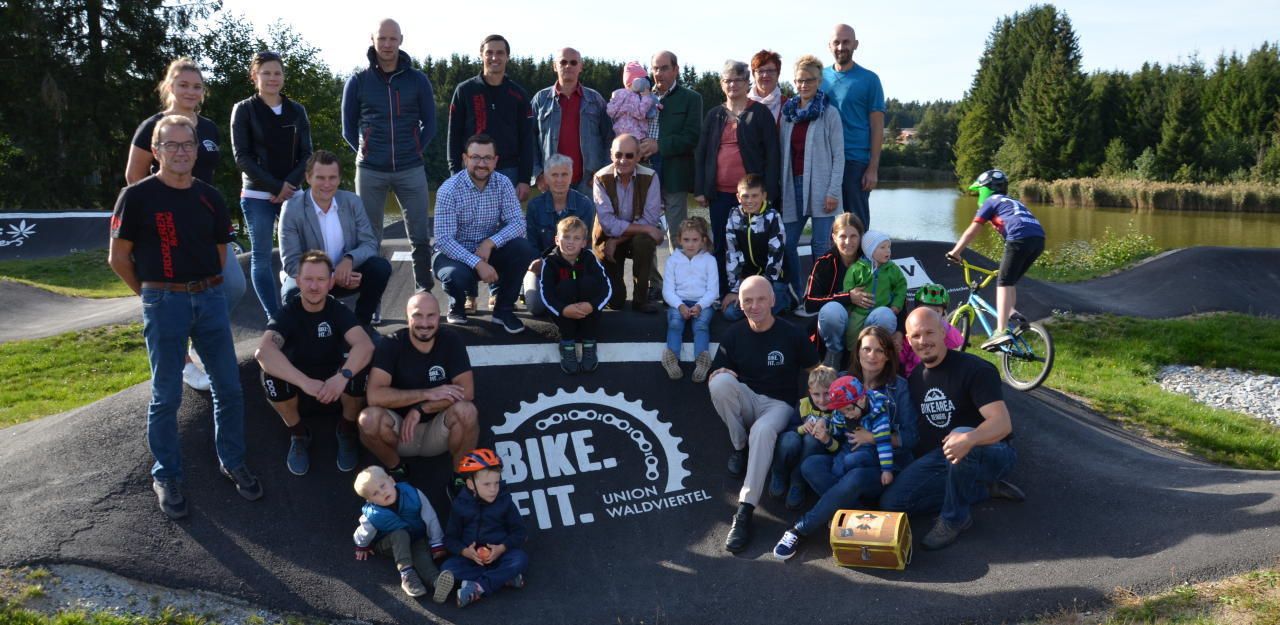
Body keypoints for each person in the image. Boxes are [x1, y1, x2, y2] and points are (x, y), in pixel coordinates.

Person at [109, 115, 262, 520]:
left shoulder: (210, 196)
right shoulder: (137, 196)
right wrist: (151, 295)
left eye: (187, 145)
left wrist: (204, 290)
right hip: (165, 301)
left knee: (229, 388)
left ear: (197, 150)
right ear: (156, 151)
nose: (180, 152)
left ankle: (232, 460)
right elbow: (118, 258)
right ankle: (167, 474)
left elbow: (220, 254)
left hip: (209, 299)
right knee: (166, 397)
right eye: (171, 145)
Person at [126, 57, 245, 392]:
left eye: (197, 86)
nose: (190, 91)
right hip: (165, 225)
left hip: (202, 223)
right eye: (183, 85)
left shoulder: (208, 128)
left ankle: (199, 344)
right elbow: (134, 177)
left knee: (233, 285)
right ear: (170, 87)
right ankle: (183, 363)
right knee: (167, 299)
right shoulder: (154, 125)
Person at [880, 308, 1025, 550]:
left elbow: (1002, 424)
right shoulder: (915, 378)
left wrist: (969, 438)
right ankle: (982, 488)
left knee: (961, 434)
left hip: (993, 451)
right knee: (892, 503)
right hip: (944, 456)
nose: (923, 341)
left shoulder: (975, 369)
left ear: (943, 331)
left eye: (929, 333)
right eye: (916, 336)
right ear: (907, 340)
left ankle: (955, 518)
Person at [771, 325, 917, 560]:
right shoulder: (841, 379)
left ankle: (799, 529)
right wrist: (823, 424)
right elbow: (830, 415)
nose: (872, 355)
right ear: (857, 352)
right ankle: (855, 512)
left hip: (880, 465)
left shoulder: (898, 388)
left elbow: (912, 437)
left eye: (879, 350)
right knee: (811, 466)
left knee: (855, 475)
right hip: (844, 457)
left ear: (888, 355)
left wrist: (874, 437)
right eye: (867, 349)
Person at [708, 275, 819, 553]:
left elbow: (814, 369)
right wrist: (718, 373)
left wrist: (814, 405)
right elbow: (717, 370)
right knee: (719, 383)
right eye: (748, 301)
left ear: (772, 300)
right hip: (748, 397)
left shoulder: (792, 332)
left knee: (763, 430)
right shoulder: (734, 334)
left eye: (760, 299)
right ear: (740, 305)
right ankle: (739, 446)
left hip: (778, 404)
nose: (754, 306)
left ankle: (744, 511)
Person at [254, 250, 375, 476]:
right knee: (269, 376)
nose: (314, 286)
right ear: (297, 281)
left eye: (320, 279)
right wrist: (304, 382)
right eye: (308, 279)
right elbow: (264, 352)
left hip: (336, 389)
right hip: (301, 391)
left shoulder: (338, 310)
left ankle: (346, 430)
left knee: (360, 370)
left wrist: (342, 377)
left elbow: (365, 345)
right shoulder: (288, 312)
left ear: (330, 283)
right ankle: (299, 434)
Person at [341, 19, 436, 294]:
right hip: (370, 170)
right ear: (372, 40)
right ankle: (373, 301)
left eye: (392, 39)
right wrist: (368, 151)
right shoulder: (358, 81)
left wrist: (415, 149)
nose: (387, 44)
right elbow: (348, 129)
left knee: (419, 235)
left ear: (401, 40)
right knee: (370, 239)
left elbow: (429, 124)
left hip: (410, 167)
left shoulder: (418, 80)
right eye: (382, 38)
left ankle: (424, 293)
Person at [357, 292, 480, 485]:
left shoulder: (451, 340)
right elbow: (374, 396)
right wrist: (426, 394)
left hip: (439, 431)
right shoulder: (391, 343)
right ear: (407, 317)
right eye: (417, 315)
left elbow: (467, 392)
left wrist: (421, 408)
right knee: (368, 419)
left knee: (467, 411)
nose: (425, 323)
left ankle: (460, 479)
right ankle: (396, 469)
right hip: (400, 433)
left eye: (430, 315)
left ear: (439, 316)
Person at [231, 50, 313, 321]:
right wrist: (276, 186)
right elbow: (241, 156)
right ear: (255, 76)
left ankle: (307, 307)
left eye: (277, 73)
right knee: (262, 256)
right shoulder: (244, 110)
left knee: (308, 251)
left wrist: (288, 185)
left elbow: (307, 155)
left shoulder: (296, 110)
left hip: (293, 192)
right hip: (256, 194)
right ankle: (274, 316)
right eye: (266, 73)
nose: (272, 78)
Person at [433, 134, 537, 332]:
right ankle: (457, 304)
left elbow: (518, 223)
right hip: (453, 254)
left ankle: (503, 310)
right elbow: (444, 240)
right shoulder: (448, 190)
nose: (482, 163)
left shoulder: (503, 183)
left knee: (523, 248)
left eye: (487, 158)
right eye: (476, 157)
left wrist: (490, 242)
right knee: (455, 276)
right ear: (465, 159)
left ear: (495, 161)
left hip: (488, 251)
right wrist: (477, 263)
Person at [695, 60, 781, 295]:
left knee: (754, 244)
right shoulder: (714, 115)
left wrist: (769, 193)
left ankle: (758, 293)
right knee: (723, 244)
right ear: (722, 84)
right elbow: (702, 153)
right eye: (727, 80)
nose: (732, 84)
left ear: (747, 83)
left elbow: (773, 155)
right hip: (720, 194)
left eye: (738, 80)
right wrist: (701, 189)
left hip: (752, 197)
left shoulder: (760, 113)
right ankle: (724, 292)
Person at [278, 151, 392, 327]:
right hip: (310, 277)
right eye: (320, 178)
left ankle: (361, 326)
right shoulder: (292, 208)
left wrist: (349, 259)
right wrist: (330, 277)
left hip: (348, 274)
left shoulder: (352, 201)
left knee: (380, 268)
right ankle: (306, 337)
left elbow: (370, 244)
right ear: (308, 178)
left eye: (332, 178)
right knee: (292, 291)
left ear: (339, 179)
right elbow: (291, 263)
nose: (327, 184)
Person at [947, 168, 1046, 351]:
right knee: (1010, 280)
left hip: (1019, 237)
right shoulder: (1011, 202)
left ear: (985, 189)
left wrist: (956, 251)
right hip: (1038, 239)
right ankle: (1011, 312)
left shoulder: (991, 201)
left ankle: (1000, 331)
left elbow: (972, 230)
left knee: (1002, 282)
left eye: (979, 191)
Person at [779, 55, 844, 310]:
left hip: (821, 188)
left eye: (809, 80)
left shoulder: (829, 114)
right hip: (791, 186)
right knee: (786, 243)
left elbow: (839, 156)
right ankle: (797, 292)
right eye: (799, 80)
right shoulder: (788, 114)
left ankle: (820, 299)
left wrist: (833, 191)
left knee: (821, 246)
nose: (803, 85)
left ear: (819, 81)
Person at [447, 34, 535, 203]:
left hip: (509, 171)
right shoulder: (464, 90)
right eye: (489, 52)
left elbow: (526, 141)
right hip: (472, 170)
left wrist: (524, 179)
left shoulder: (519, 95)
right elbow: (454, 136)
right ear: (481, 55)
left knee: (507, 226)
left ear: (507, 57)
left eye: (500, 53)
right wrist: (455, 174)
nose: (494, 57)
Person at [442, 449, 530, 608]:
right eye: (487, 484)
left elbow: (520, 532)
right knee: (448, 568)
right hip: (472, 560)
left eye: (496, 483)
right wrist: (465, 552)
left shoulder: (505, 502)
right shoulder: (460, 506)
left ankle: (477, 587)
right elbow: (449, 539)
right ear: (471, 484)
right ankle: (504, 578)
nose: (493, 489)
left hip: (501, 556)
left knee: (519, 559)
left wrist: (502, 548)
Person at [352, 466, 453, 603]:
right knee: (400, 534)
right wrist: (362, 546)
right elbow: (363, 532)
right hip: (389, 544)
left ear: (391, 480)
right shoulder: (373, 515)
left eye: (383, 486)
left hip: (416, 538)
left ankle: (436, 582)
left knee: (422, 557)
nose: (382, 492)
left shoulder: (413, 494)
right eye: (375, 493)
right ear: (370, 500)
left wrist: (436, 542)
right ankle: (407, 575)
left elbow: (430, 517)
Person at [592, 134, 664, 313]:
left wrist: (617, 240)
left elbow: (650, 218)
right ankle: (613, 291)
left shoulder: (651, 177)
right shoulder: (600, 178)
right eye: (618, 155)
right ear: (611, 155)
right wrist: (647, 228)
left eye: (629, 156)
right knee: (615, 302)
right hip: (606, 239)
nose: (623, 160)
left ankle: (641, 299)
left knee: (644, 241)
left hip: (620, 240)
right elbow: (608, 225)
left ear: (639, 156)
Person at [823, 23, 885, 229]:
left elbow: (877, 127)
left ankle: (864, 261)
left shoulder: (870, 80)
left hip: (855, 161)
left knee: (856, 224)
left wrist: (873, 168)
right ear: (829, 46)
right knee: (825, 223)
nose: (841, 47)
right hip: (824, 161)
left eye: (846, 42)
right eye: (837, 42)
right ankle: (830, 261)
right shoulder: (818, 78)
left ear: (856, 44)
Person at [521, 153, 597, 316]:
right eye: (554, 175)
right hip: (542, 267)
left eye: (564, 174)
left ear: (571, 176)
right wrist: (542, 266)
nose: (560, 180)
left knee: (582, 300)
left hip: (574, 267)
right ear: (546, 178)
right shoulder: (535, 206)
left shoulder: (585, 205)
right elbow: (531, 244)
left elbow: (586, 244)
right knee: (535, 306)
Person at [531, 47, 613, 197]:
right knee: (554, 222)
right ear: (555, 66)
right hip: (552, 181)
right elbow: (529, 140)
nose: (568, 66)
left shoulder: (595, 100)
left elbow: (610, 138)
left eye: (573, 62)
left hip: (588, 183)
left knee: (586, 221)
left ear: (580, 67)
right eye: (563, 62)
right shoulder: (540, 100)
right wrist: (537, 174)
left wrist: (603, 171)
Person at [644, 51, 703, 249]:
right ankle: (653, 281)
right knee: (645, 234)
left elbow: (691, 137)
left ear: (676, 70)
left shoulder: (691, 98)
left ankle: (680, 278)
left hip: (674, 175)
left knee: (678, 235)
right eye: (655, 68)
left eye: (664, 68)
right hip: (642, 173)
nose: (659, 73)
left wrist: (659, 145)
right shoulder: (641, 97)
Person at [537, 217, 611, 374]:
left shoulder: (589, 258)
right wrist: (563, 310)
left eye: (576, 238)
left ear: (584, 243)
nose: (570, 242)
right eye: (566, 237)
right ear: (557, 239)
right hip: (565, 312)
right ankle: (567, 343)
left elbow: (606, 288)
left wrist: (592, 306)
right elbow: (546, 294)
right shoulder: (550, 262)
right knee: (565, 286)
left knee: (588, 283)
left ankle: (589, 341)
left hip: (587, 311)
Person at [801, 213, 876, 369]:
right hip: (833, 326)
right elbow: (809, 303)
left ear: (861, 237)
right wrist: (848, 297)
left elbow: (897, 289)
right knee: (832, 311)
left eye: (853, 236)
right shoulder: (824, 263)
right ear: (834, 237)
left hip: (863, 319)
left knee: (884, 315)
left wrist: (900, 330)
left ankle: (874, 359)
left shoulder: (873, 261)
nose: (848, 242)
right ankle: (834, 354)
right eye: (843, 236)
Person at [769, 365, 839, 510]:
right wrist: (802, 428)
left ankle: (798, 481)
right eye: (816, 394)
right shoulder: (804, 404)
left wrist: (826, 437)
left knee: (812, 440)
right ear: (810, 392)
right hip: (795, 445)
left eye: (827, 394)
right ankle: (779, 472)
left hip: (813, 453)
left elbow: (839, 445)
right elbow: (789, 428)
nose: (822, 400)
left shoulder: (839, 411)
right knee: (789, 440)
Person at [722, 174, 788, 321]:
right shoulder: (734, 216)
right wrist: (735, 289)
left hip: (772, 279)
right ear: (738, 197)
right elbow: (731, 254)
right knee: (730, 314)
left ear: (763, 196)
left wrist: (761, 288)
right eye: (745, 196)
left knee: (764, 312)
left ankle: (786, 299)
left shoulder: (773, 217)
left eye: (754, 196)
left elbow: (776, 255)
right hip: (747, 279)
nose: (750, 201)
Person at [660, 217, 718, 382]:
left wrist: (700, 305)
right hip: (679, 302)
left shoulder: (710, 261)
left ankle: (702, 361)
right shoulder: (673, 260)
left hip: (703, 303)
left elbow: (713, 290)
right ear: (679, 240)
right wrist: (679, 306)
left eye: (695, 240)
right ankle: (671, 358)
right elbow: (668, 291)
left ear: (703, 240)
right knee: (675, 323)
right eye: (686, 240)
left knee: (700, 325)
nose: (690, 244)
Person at [826, 375, 896, 484]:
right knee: (837, 469)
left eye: (849, 409)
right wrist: (827, 427)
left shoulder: (878, 412)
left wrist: (887, 470)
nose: (847, 415)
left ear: (862, 399)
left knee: (851, 460)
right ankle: (840, 493)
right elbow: (835, 426)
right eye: (842, 412)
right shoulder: (843, 412)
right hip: (849, 446)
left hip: (871, 450)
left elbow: (884, 441)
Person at [842, 229, 906, 343]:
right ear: (870, 250)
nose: (888, 251)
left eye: (888, 247)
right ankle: (852, 357)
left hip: (881, 311)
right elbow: (847, 288)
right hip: (858, 313)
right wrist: (849, 307)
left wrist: (897, 305)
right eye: (882, 247)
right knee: (852, 337)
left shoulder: (892, 269)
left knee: (882, 333)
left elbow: (901, 286)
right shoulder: (856, 268)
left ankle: (881, 352)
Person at [900, 283, 965, 377]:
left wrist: (943, 324)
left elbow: (957, 342)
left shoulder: (942, 329)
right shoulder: (912, 330)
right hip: (913, 377)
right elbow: (901, 356)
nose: (929, 315)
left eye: (936, 311)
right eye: (925, 309)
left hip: (939, 375)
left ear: (943, 313)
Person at [608, 62, 661, 144]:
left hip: (620, 136)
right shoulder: (633, 97)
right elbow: (640, 113)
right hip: (636, 137)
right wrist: (646, 97)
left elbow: (610, 111)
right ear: (637, 82)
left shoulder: (618, 94)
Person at [748, 50, 786, 124]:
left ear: (778, 74)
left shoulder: (788, 106)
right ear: (753, 74)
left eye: (770, 70)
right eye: (760, 71)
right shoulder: (742, 104)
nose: (765, 75)